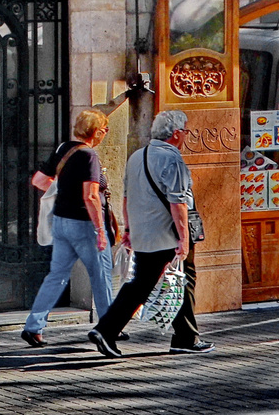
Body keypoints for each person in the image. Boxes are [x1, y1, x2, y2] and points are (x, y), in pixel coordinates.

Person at [88, 109, 212, 358]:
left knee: (169, 280)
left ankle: (186, 337)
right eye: (185, 132)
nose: (185, 136)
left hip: (144, 231)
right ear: (176, 134)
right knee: (157, 282)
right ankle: (107, 329)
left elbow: (125, 196)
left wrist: (129, 229)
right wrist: (184, 239)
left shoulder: (136, 157)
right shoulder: (173, 159)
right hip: (167, 232)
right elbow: (178, 204)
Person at [21, 108, 116, 347]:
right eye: (105, 130)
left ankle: (34, 326)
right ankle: (109, 328)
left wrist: (64, 190)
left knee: (57, 276)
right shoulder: (89, 156)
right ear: (95, 132)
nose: (105, 133)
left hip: (62, 222)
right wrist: (101, 231)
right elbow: (91, 196)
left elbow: (39, 180)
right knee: (101, 275)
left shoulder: (64, 148)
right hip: (85, 225)